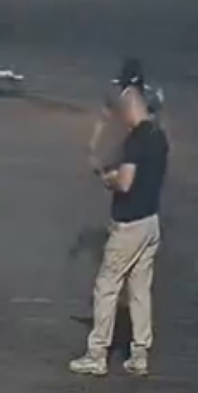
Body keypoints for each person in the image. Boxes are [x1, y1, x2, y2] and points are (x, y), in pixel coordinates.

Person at [69, 72, 169, 377]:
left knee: (106, 287)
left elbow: (125, 182)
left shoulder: (136, 140)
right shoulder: (159, 138)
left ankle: (97, 353)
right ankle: (140, 353)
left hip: (128, 225)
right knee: (140, 289)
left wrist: (108, 178)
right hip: (151, 222)